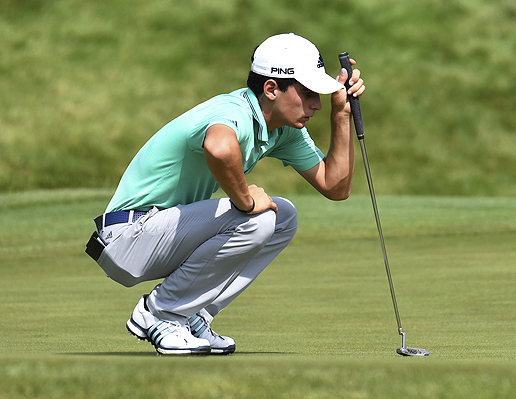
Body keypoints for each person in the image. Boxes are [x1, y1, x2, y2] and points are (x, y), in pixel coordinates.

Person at [85, 33, 365, 355]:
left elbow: (335, 186)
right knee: (256, 218)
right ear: (272, 89)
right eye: (307, 93)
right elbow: (218, 148)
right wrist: (245, 200)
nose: (316, 104)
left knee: (283, 216)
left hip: (160, 234)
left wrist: (340, 115)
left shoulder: (285, 130)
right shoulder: (234, 110)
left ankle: (193, 315)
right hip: (126, 235)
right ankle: (160, 313)